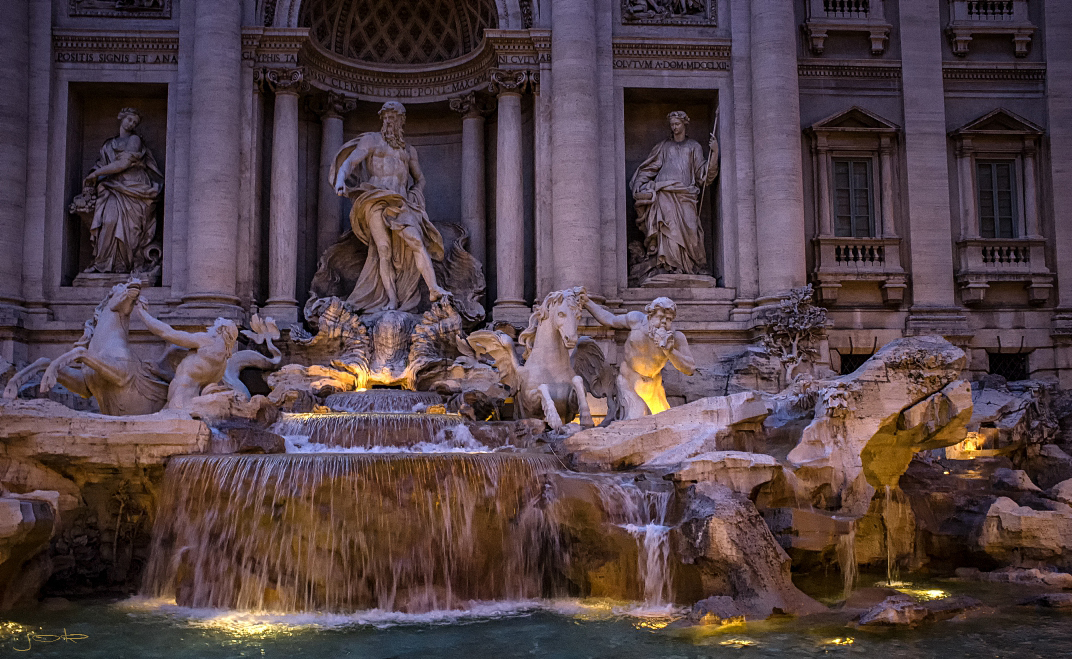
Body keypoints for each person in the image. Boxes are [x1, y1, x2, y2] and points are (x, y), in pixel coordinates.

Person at [330, 101, 448, 313]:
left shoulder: (409, 151)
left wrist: (415, 193)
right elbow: (351, 162)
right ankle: (392, 301)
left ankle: (434, 288)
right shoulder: (371, 141)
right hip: (374, 199)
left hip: (401, 202)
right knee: (383, 250)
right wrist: (340, 178)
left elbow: (420, 178)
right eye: (386, 117)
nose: (389, 121)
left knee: (416, 241)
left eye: (394, 117)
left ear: (402, 121)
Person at [630, 109, 719, 278]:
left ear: (685, 124)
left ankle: (695, 265)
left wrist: (714, 153)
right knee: (667, 228)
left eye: (677, 124)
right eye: (672, 125)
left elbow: (703, 175)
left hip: (686, 194)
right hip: (664, 192)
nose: (674, 128)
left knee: (691, 229)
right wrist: (640, 184)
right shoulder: (664, 147)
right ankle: (667, 264)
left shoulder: (694, 146)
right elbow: (649, 168)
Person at [580, 294, 696, 419]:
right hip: (629, 380)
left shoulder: (676, 338)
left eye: (668, 319)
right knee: (638, 416)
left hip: (653, 386)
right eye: (661, 317)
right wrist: (587, 302)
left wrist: (670, 351)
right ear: (650, 315)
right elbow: (610, 320)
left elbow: (690, 368)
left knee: (664, 421)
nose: (664, 322)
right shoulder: (636, 320)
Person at [79, 108, 162, 274]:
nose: (131, 124)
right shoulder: (108, 145)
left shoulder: (135, 139)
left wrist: (96, 174)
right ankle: (102, 263)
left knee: (131, 229)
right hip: (112, 188)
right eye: (130, 119)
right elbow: (102, 165)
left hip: (134, 188)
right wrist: (93, 176)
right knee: (109, 221)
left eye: (135, 122)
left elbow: (122, 164)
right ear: (121, 117)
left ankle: (123, 265)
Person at [134, 301, 238, 410]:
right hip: (190, 401)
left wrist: (142, 313)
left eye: (213, 326)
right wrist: (160, 373)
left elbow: (167, 333)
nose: (210, 329)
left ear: (220, 329)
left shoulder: (207, 341)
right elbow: (189, 378)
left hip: (179, 400)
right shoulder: (222, 365)